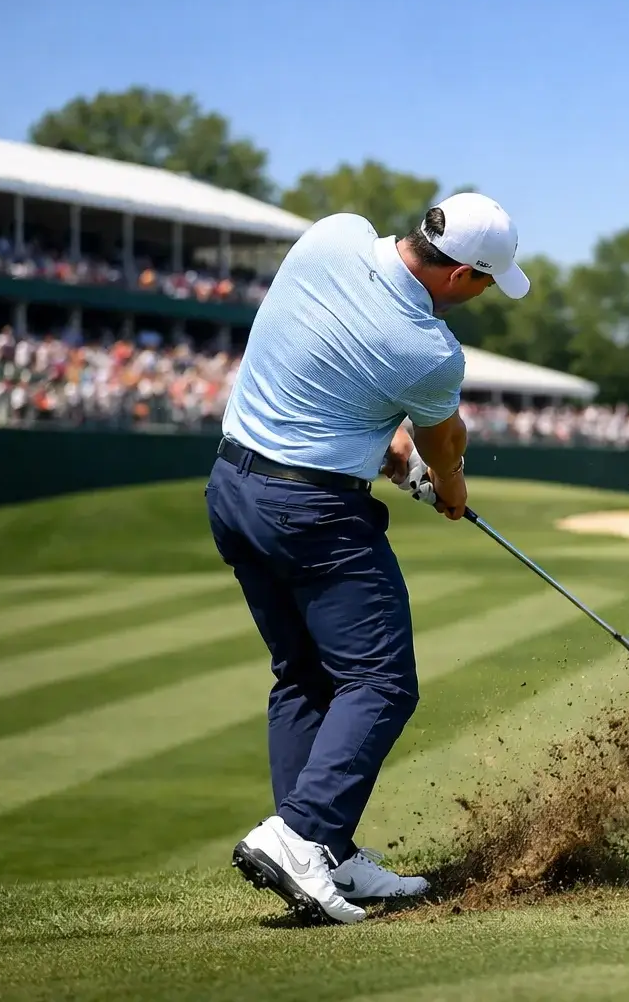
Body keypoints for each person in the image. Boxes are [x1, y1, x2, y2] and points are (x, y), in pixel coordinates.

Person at [204, 192, 530, 924]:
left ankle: (329, 852)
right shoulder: (430, 349)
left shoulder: (334, 236)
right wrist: (449, 488)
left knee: (307, 677)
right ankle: (297, 836)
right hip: (313, 514)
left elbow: (321, 358)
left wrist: (380, 443)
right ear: (460, 277)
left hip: (234, 487)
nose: (478, 299)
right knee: (381, 683)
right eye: (483, 285)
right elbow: (446, 443)